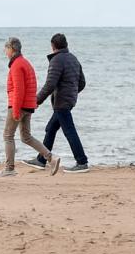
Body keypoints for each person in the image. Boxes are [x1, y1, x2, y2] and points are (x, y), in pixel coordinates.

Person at [24, 33, 89, 173]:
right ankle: (41, 160)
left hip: (62, 102)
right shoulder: (73, 59)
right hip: (69, 100)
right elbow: (82, 83)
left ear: (53, 46)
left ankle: (82, 162)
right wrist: (72, 93)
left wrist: (36, 101)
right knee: (51, 128)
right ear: (66, 44)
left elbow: (50, 85)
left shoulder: (57, 60)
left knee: (69, 131)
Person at [0, 37, 60, 178]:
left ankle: (9, 168)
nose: (5, 52)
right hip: (28, 105)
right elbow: (31, 85)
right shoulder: (25, 63)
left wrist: (16, 109)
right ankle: (51, 158)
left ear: (12, 49)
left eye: (6, 49)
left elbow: (19, 89)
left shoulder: (17, 65)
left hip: (18, 105)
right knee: (26, 136)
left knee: (8, 136)